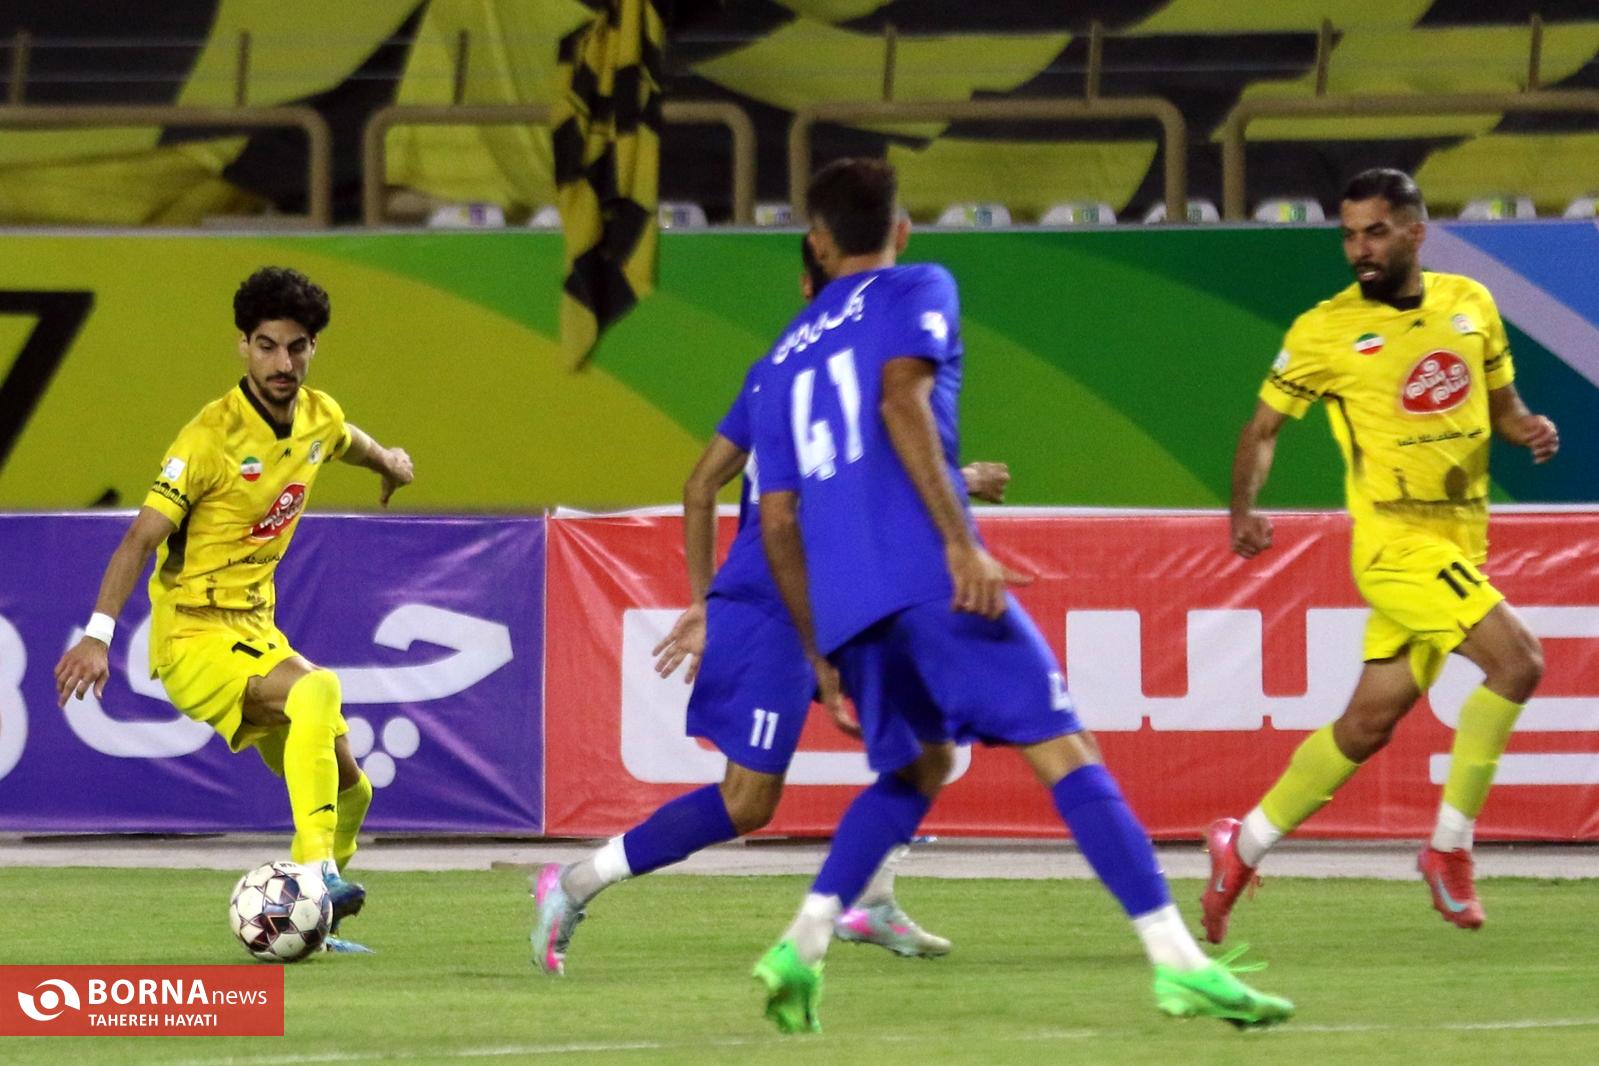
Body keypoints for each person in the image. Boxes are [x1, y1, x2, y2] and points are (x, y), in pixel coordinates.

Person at [746, 158, 1294, 1034]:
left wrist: (819, 652)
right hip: (928, 577)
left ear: (814, 242)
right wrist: (961, 543)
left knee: (918, 767)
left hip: (848, 607)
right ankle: (1179, 963)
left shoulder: (777, 359)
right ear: (901, 230)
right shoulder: (917, 285)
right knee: (1065, 747)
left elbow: (777, 522)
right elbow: (899, 400)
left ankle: (799, 946)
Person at [530, 237, 1012, 976]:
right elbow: (719, 487)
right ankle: (573, 883)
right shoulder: (806, 371)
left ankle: (870, 900)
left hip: (842, 599)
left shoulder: (787, 365)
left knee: (931, 739)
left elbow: (711, 487)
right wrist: (709, 603)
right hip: (773, 606)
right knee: (748, 802)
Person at [1203, 169, 1559, 944]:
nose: (1357, 249)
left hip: (1460, 540)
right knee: (1518, 662)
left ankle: (1243, 844)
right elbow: (1260, 430)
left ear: (1413, 232)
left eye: (1373, 232)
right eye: (1348, 235)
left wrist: (1528, 428)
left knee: (1366, 725)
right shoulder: (1324, 329)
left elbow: (1500, 407)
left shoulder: (1469, 303)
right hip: (1394, 544)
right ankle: (1448, 850)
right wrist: (1243, 511)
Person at [53, 267, 414, 953]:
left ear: (313, 348)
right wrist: (98, 635)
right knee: (318, 689)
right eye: (268, 346)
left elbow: (345, 439)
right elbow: (139, 540)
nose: (283, 364)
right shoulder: (207, 439)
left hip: (254, 632)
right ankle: (317, 875)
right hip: (192, 638)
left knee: (354, 791)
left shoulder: (318, 415)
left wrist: (389, 463)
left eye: (297, 348)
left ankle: (315, 927)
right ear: (243, 346)